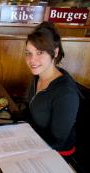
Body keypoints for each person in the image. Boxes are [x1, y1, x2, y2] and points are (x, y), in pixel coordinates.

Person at [24, 21, 79, 156]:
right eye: (28, 53)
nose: (32, 60)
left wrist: (25, 143)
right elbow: (29, 111)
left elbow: (58, 141)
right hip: (32, 138)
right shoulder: (39, 75)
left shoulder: (66, 93)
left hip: (58, 153)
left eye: (39, 52)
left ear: (55, 52)